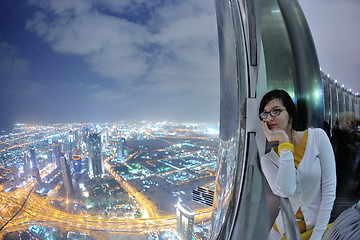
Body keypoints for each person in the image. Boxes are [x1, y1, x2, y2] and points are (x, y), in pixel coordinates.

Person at [258, 89, 336, 240]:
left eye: (276, 111)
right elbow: (287, 190)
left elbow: (329, 191)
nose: (269, 118)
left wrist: (317, 236)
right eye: (265, 113)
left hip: (314, 231)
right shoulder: (268, 159)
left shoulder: (317, 138)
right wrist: (283, 141)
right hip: (282, 233)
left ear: (291, 114)